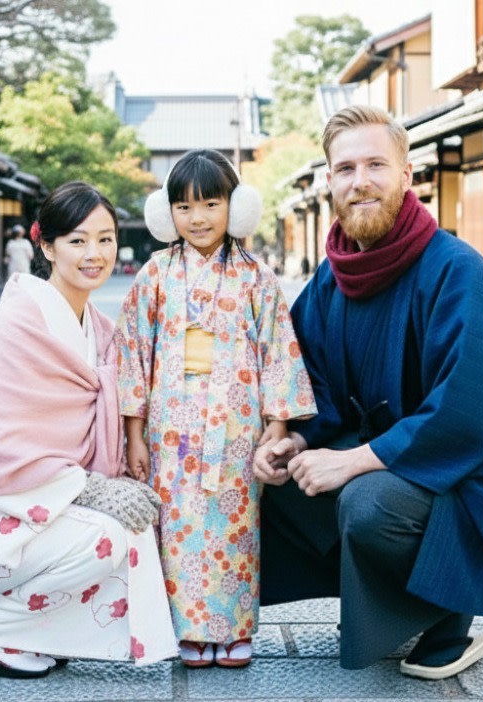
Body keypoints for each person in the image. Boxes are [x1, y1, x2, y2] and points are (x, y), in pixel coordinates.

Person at [254, 105, 483, 678]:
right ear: (329, 183)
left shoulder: (454, 270)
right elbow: (308, 386)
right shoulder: (328, 281)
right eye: (345, 169)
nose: (360, 181)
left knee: (366, 504)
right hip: (387, 470)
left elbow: (468, 414)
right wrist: (290, 440)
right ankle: (382, 604)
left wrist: (352, 463)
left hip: (462, 480)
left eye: (375, 165)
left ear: (406, 175)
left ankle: (447, 615)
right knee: (263, 481)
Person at [0, 182, 177, 679]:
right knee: (107, 535)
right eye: (77, 241)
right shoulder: (17, 322)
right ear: (46, 246)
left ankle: (30, 633)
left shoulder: (97, 328)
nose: (94, 254)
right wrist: (94, 486)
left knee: (132, 529)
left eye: (105, 239)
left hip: (21, 507)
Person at [115, 149, 316, 668]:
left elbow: (278, 352)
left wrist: (277, 427)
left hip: (237, 425)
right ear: (167, 213)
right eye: (184, 207)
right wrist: (134, 434)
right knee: (175, 525)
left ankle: (233, 627)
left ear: (236, 206)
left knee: (236, 525)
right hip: (170, 425)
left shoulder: (256, 277)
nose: (198, 218)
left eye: (210, 203)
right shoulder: (156, 274)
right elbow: (133, 352)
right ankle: (186, 629)